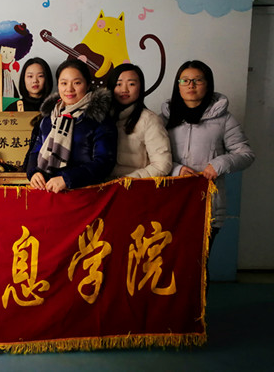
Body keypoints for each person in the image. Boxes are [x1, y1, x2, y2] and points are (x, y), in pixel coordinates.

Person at [161, 60, 254, 245]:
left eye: (198, 80)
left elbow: (246, 154)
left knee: (200, 260)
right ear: (178, 85)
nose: (191, 85)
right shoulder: (164, 119)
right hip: (170, 202)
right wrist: (176, 169)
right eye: (185, 80)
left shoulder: (224, 119)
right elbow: (153, 157)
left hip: (207, 205)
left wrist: (219, 164)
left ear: (208, 84)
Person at [27, 58, 117, 192]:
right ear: (58, 85)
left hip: (86, 194)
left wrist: (67, 179)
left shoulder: (99, 118)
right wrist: (33, 173)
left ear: (87, 85)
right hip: (48, 193)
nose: (69, 89)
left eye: (77, 83)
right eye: (64, 83)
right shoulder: (48, 119)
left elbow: (104, 162)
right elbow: (34, 152)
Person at [107, 63, 172, 178]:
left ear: (140, 87)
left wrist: (128, 180)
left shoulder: (150, 120)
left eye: (131, 84)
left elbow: (162, 165)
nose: (124, 89)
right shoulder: (102, 119)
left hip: (134, 186)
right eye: (118, 84)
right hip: (104, 187)